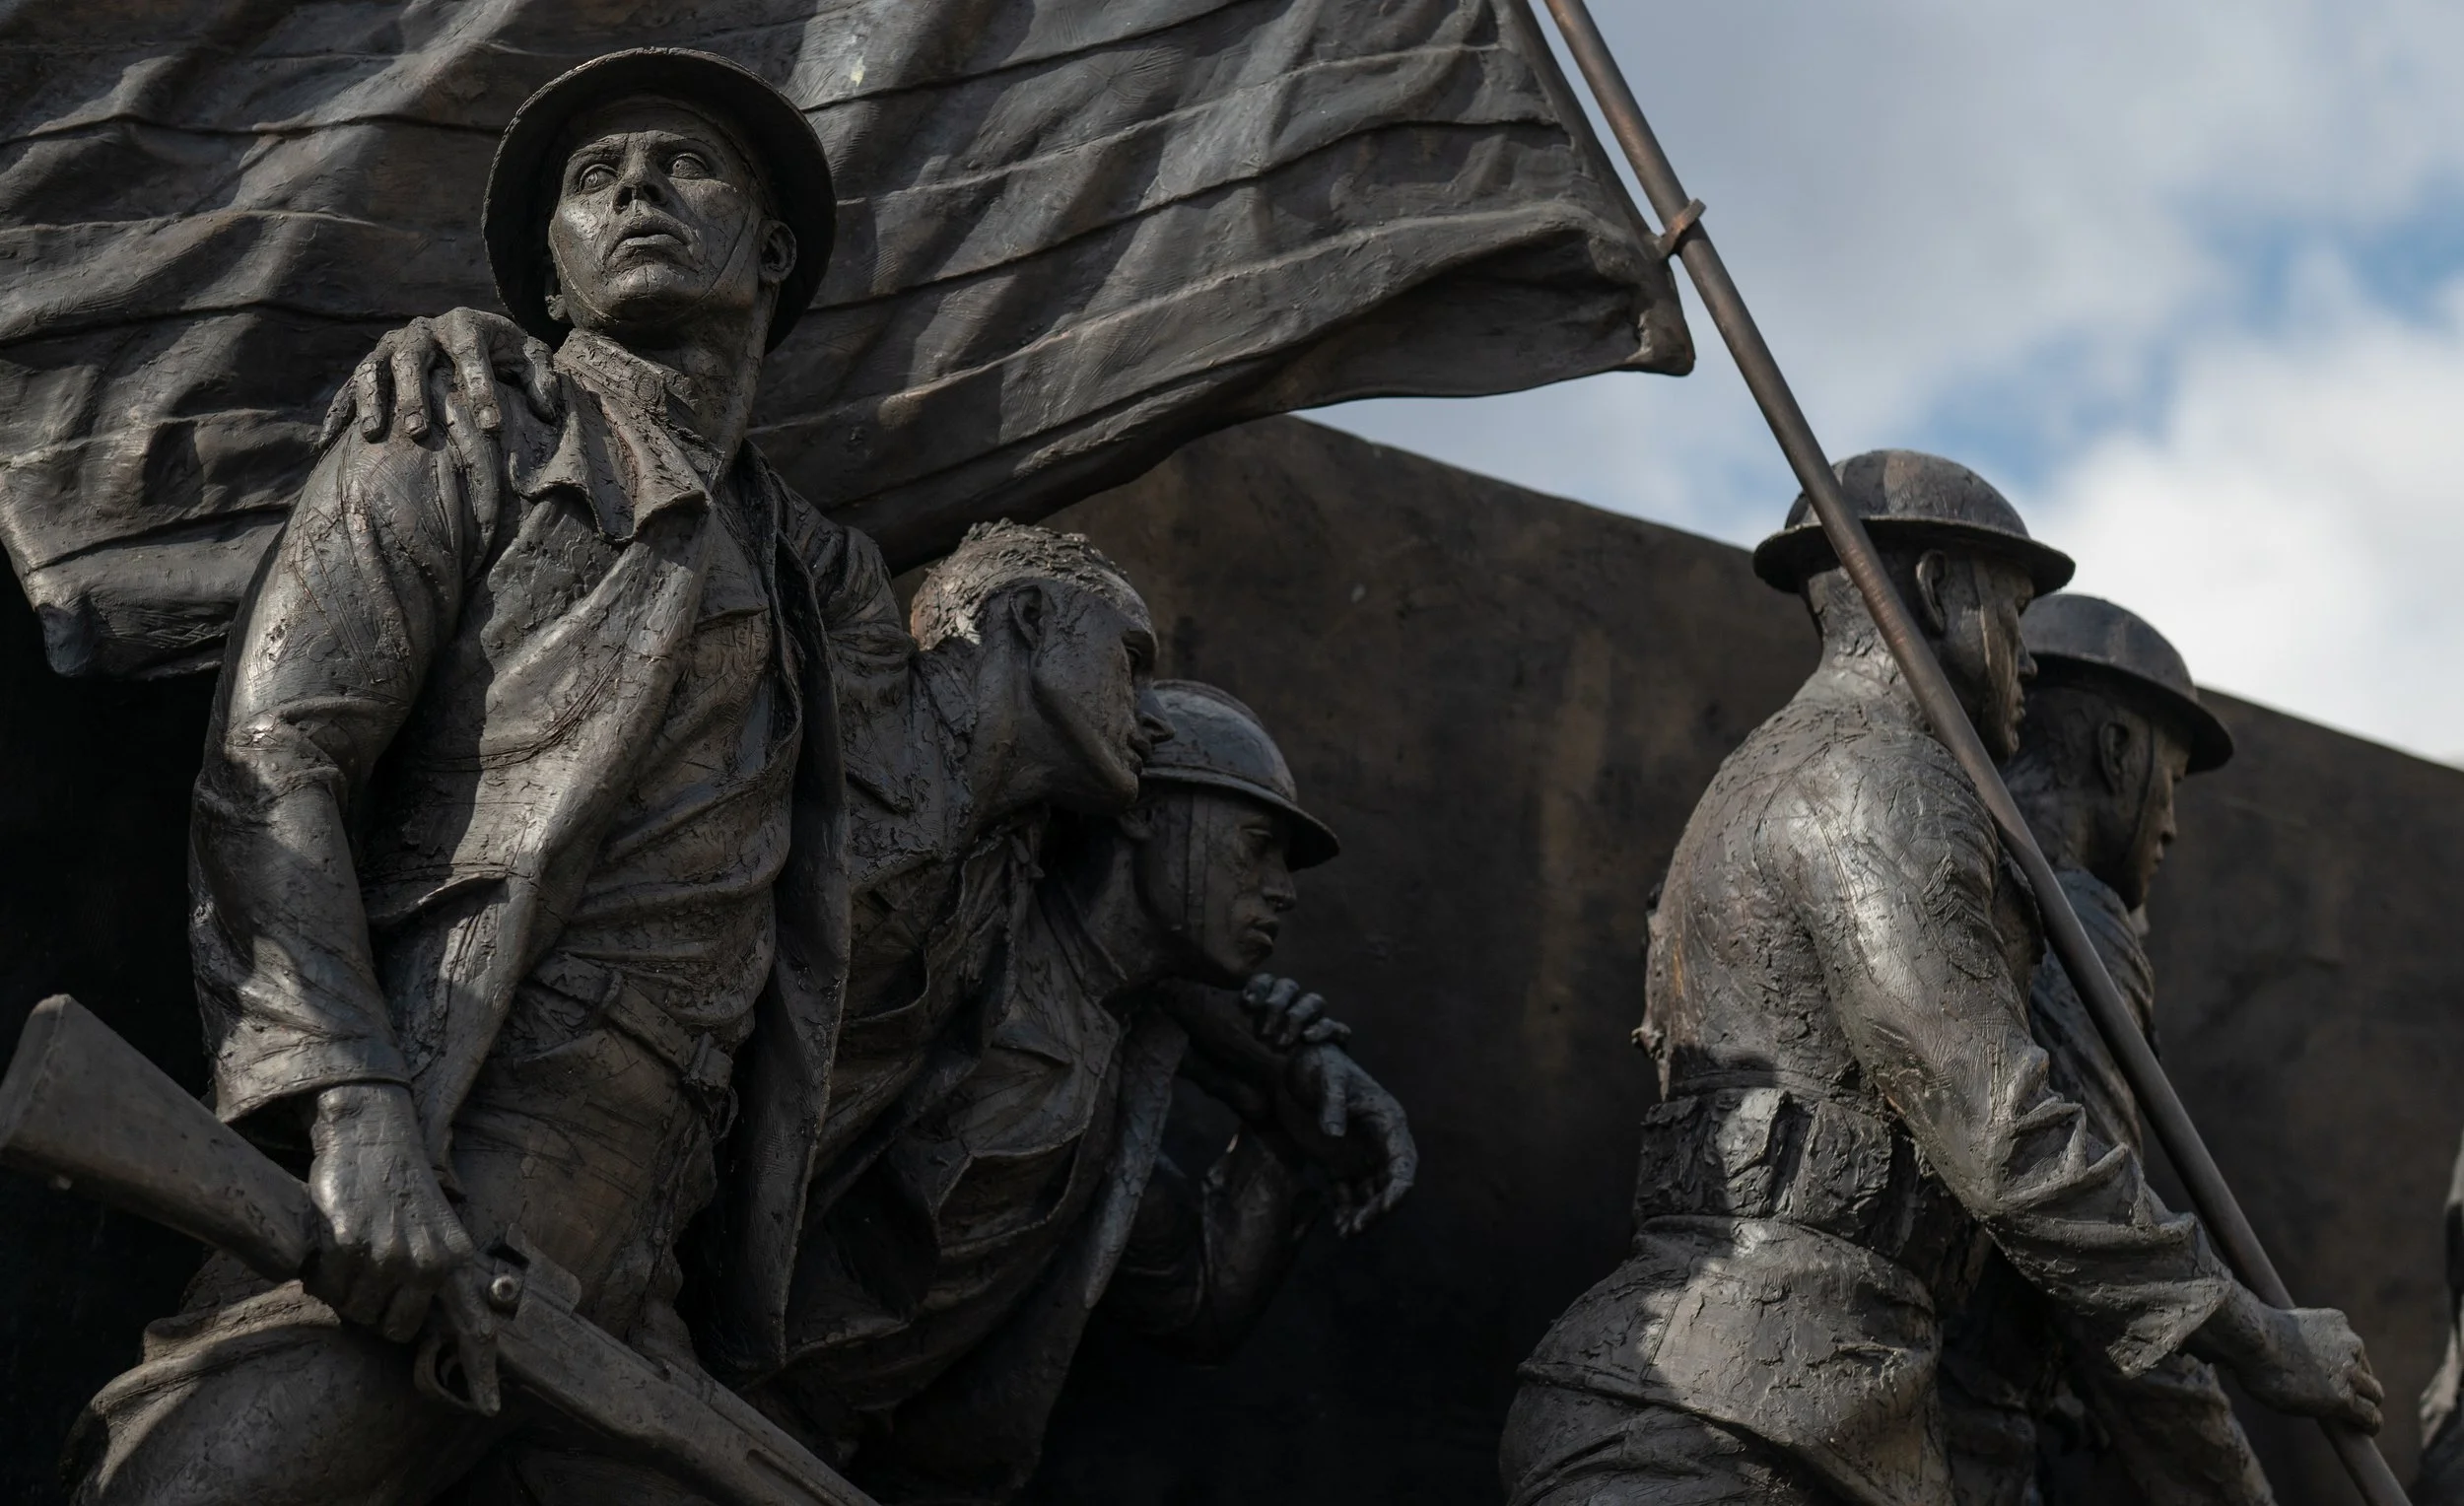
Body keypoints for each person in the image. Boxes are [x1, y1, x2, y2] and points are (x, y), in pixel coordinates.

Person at [67, 48, 908, 1504]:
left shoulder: (817, 575)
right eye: (594, 178)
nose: (636, 184)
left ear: (770, 251)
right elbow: (276, 762)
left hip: (657, 1238)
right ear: (553, 276)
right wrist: (357, 1112)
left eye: (683, 163)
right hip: (463, 1128)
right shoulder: (462, 420)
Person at [1499, 450, 2380, 1506]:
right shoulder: (1880, 784)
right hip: (1749, 1426)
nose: (2025, 665)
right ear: (1935, 592)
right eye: (2014, 622)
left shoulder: (1772, 764)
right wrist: (2257, 1336)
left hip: (1764, 1411)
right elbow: (2000, 1130)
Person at [462, 681, 1417, 1504]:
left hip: (795, 1466)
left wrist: (1287, 1120)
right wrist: (1244, 1039)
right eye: (1256, 845)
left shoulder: (1114, 1089)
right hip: (619, 1389)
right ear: (1138, 807)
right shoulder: (955, 938)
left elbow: (1201, 1299)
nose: (1280, 891)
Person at [1940, 592, 2270, 1506]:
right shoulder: (2077, 918)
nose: (2170, 824)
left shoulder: (1965, 873)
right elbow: (2113, 1284)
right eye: (2170, 777)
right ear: (2117, 753)